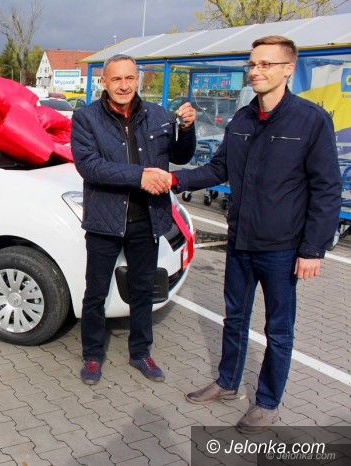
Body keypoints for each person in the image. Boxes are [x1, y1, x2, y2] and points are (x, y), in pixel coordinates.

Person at [166, 36, 341, 433]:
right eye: (252, 64)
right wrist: (174, 180)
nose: (256, 71)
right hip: (240, 242)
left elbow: (326, 189)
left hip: (282, 248)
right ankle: (228, 382)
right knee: (234, 317)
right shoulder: (243, 119)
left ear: (288, 69)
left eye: (265, 64)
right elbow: (219, 168)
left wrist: (313, 249)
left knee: (278, 330)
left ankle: (267, 402)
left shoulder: (311, 120)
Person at [71, 54, 197, 385]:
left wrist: (187, 129)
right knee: (96, 292)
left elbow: (181, 155)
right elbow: (89, 166)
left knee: (143, 289)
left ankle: (140, 352)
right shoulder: (86, 118)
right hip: (105, 221)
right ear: (104, 82)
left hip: (147, 219)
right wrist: (140, 176)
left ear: (137, 79)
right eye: (116, 79)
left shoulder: (158, 116)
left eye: (129, 78)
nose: (124, 85)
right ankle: (92, 355)